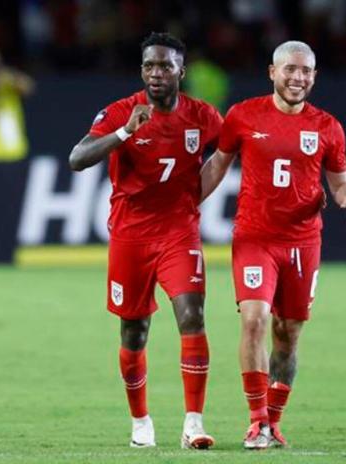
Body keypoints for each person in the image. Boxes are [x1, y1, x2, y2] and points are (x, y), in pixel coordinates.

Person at [200, 40, 346, 449]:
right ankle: (256, 421)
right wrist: (185, 205)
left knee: (288, 334)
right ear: (272, 72)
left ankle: (273, 421)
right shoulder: (243, 115)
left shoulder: (328, 127)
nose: (298, 77)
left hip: (303, 242)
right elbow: (217, 164)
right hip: (254, 237)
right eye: (290, 69)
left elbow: (339, 183)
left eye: (306, 71)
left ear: (314, 76)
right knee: (253, 320)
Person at [68, 32, 222, 449]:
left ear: (181, 72)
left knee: (192, 316)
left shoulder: (203, 116)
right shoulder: (121, 112)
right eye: (150, 66)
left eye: (165, 66)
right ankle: (141, 423)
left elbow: (229, 150)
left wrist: (199, 194)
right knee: (134, 332)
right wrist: (122, 134)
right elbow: (77, 159)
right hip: (131, 236)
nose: (157, 73)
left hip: (179, 232)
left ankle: (194, 424)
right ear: (142, 71)